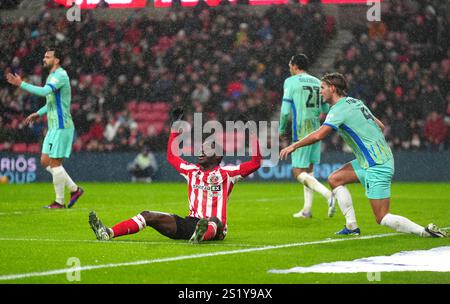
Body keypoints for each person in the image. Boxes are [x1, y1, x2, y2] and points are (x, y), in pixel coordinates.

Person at [280, 72, 447, 238]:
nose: (320, 91)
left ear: (332, 88)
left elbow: (319, 135)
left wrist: (294, 145)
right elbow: (380, 126)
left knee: (382, 218)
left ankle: (425, 232)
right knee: (334, 179)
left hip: (377, 165)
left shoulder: (338, 110)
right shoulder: (355, 102)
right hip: (371, 159)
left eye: (322, 88)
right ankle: (351, 227)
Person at [89, 107, 262, 243]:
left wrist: (252, 133)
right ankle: (108, 232)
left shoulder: (227, 174)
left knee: (214, 221)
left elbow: (255, 163)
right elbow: (172, 156)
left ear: (217, 155)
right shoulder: (191, 171)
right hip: (191, 223)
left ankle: (202, 234)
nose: (201, 151)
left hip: (216, 228)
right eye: (201, 148)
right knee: (147, 215)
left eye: (207, 150)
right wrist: (175, 128)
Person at [6, 46, 83, 209]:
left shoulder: (61, 75)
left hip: (62, 126)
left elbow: (44, 92)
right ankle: (75, 190)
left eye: (48, 57)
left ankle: (59, 202)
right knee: (45, 160)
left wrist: (22, 84)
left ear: (57, 60)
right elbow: (50, 102)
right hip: (53, 127)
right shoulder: (52, 76)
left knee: (55, 163)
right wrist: (38, 113)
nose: (44, 59)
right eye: (44, 56)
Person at [279, 54, 335, 219]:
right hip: (316, 130)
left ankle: (328, 194)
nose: (289, 67)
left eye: (290, 64)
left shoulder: (290, 82)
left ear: (295, 65)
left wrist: (281, 128)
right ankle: (307, 209)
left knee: (298, 172)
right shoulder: (318, 83)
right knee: (309, 171)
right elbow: (326, 110)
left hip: (301, 129)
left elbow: (284, 111)